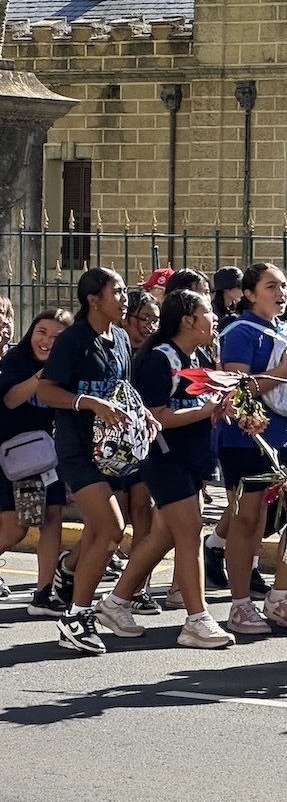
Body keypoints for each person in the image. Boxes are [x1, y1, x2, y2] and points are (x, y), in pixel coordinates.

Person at [99, 289, 234, 649]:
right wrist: (208, 410)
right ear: (188, 320)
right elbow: (156, 417)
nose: (214, 318)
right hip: (163, 458)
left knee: (163, 533)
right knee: (190, 532)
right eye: (208, 312)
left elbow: (200, 405)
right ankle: (197, 619)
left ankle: (115, 602)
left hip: (190, 459)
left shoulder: (200, 355)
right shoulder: (160, 360)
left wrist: (221, 409)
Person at [35, 268, 152, 654]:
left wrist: (141, 412)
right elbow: (46, 391)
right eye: (116, 292)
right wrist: (88, 403)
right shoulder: (72, 341)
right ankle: (77, 617)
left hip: (114, 453)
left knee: (103, 533)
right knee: (112, 528)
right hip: (77, 450)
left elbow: (124, 388)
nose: (124, 299)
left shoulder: (119, 338)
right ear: (93, 300)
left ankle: (70, 577)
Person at [215, 263, 287, 637]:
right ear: (250, 293)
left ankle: (280, 595)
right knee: (247, 521)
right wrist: (285, 370)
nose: (281, 292)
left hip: (285, 439)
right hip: (246, 441)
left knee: (284, 519)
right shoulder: (240, 332)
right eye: (271, 286)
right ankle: (239, 605)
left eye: (284, 286)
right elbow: (236, 391)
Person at [0, 309, 73, 614]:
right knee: (16, 528)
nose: (45, 341)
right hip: (12, 457)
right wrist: (42, 376)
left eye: (57, 337)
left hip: (46, 456)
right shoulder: (14, 361)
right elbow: (10, 399)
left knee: (52, 517)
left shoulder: (70, 366)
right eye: (41, 332)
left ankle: (43, 593)